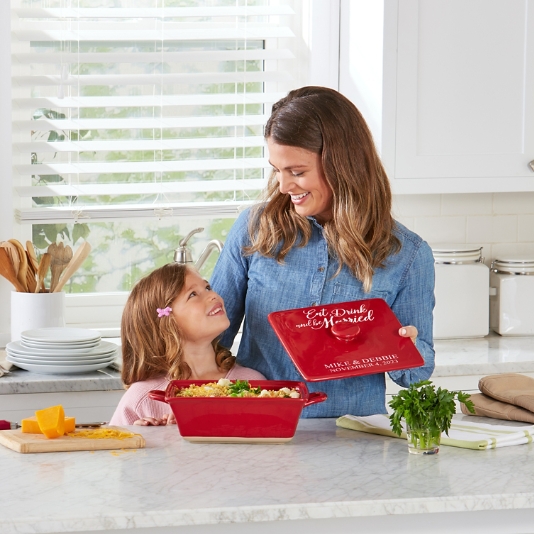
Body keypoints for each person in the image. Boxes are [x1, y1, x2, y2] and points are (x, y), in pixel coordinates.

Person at [210, 86, 435, 418]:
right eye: (277, 170)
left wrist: (405, 348)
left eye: (297, 172)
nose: (285, 187)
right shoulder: (255, 228)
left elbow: (415, 375)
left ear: (341, 165)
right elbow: (210, 339)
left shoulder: (408, 254)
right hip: (261, 427)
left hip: (353, 440)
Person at [109, 263, 265, 426]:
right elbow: (113, 448)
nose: (212, 295)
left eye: (207, 287)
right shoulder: (141, 399)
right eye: (192, 294)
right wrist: (144, 437)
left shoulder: (253, 384)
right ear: (167, 322)